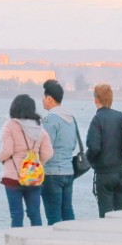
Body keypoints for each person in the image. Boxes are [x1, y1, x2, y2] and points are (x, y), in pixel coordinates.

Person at [0, 93, 53, 228]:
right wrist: (36, 164)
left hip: (13, 177)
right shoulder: (40, 128)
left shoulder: (9, 125)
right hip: (33, 176)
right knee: (35, 214)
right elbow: (48, 153)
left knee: (16, 214)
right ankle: (37, 242)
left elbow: (7, 150)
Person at [86, 82, 122, 218]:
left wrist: (88, 162)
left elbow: (94, 147)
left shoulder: (97, 119)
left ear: (95, 99)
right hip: (121, 173)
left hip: (104, 175)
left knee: (106, 217)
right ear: (111, 99)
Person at [39, 79, 79, 224]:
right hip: (68, 171)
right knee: (68, 212)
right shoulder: (71, 118)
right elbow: (73, 144)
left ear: (49, 98)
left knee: (53, 216)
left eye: (43, 97)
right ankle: (72, 242)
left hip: (52, 174)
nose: (42, 101)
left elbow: (45, 148)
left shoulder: (51, 119)